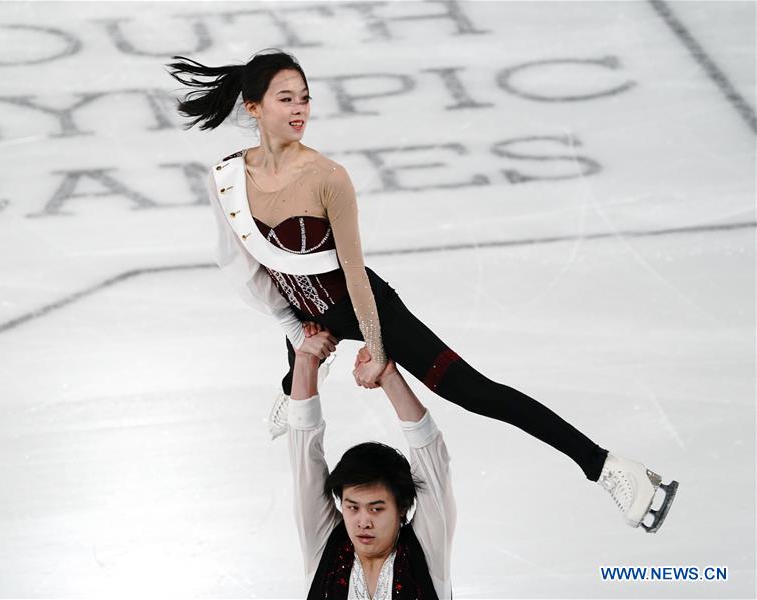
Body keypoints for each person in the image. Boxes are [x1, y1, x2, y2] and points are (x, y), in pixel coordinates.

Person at [165, 50, 677, 533]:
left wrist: (377, 349)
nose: (300, 109)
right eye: (286, 98)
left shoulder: (328, 177)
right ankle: (291, 380)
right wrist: (295, 332)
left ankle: (609, 467)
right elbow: (242, 262)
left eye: (305, 97)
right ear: (253, 107)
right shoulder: (228, 177)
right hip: (302, 314)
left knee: (476, 393)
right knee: (295, 394)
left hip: (368, 309)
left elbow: (356, 274)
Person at [288, 322, 454, 598]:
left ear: (401, 508)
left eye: (376, 509)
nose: (363, 521)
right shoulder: (323, 546)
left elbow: (432, 458)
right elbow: (304, 454)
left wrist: (389, 376)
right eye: (353, 508)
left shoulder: (427, 551)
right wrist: (305, 359)